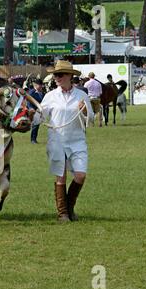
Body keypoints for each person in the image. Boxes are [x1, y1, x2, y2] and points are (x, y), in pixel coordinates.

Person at [38, 60, 94, 222]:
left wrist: (83, 110)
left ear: (70, 76)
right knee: (60, 177)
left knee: (80, 176)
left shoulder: (82, 95)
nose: (56, 77)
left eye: (60, 74)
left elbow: (90, 120)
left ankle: (69, 208)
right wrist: (31, 115)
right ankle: (63, 214)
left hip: (77, 141)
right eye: (55, 75)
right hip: (57, 141)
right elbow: (40, 116)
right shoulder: (50, 96)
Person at [27, 78, 44, 144]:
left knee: (37, 125)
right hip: (33, 111)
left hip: (39, 111)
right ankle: (33, 140)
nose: (41, 86)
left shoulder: (41, 92)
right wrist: (31, 108)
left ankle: (34, 139)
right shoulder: (31, 92)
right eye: (40, 85)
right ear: (35, 85)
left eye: (41, 85)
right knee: (35, 125)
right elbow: (28, 101)